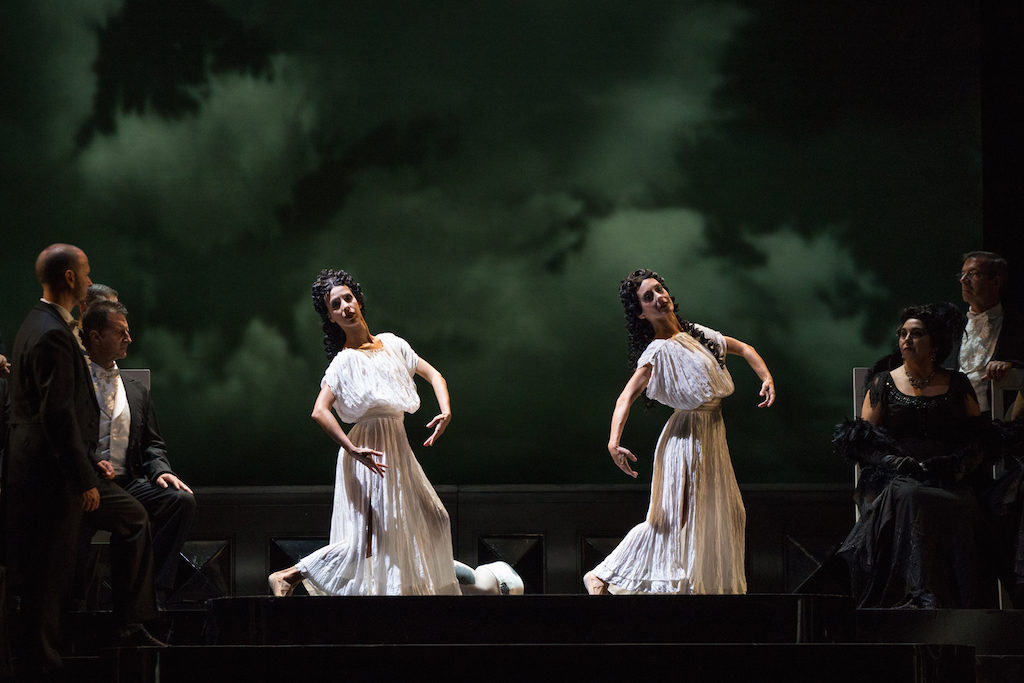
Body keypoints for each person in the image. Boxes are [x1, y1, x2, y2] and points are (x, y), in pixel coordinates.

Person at [268, 269, 462, 596]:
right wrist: (351, 448)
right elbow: (319, 410)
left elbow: (434, 375)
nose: (345, 306)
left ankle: (416, 598)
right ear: (330, 317)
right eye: (335, 305)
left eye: (347, 298)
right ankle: (288, 575)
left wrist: (446, 410)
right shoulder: (344, 362)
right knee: (368, 540)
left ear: (357, 300)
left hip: (397, 447)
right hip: (368, 450)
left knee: (435, 518)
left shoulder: (393, 344)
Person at [583, 268, 775, 595]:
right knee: (672, 520)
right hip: (686, 439)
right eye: (648, 297)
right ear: (640, 313)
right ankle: (602, 574)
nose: (659, 297)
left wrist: (766, 377)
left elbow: (744, 348)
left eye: (659, 289)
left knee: (725, 513)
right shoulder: (657, 352)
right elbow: (625, 398)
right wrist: (614, 442)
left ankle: (695, 588)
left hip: (711, 436)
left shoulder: (695, 333)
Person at [834, 303, 996, 608]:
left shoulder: (957, 383)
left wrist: (955, 466)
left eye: (917, 334)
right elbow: (863, 440)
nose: (907, 339)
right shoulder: (883, 382)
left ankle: (964, 606)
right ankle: (918, 597)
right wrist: (894, 462)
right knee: (911, 496)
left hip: (947, 475)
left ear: (934, 343)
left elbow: (979, 438)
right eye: (903, 334)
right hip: (898, 476)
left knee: (964, 504)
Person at [3, 244, 101, 674]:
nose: (90, 281)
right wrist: (84, 478)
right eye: (87, 273)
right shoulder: (53, 333)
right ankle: (44, 666)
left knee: (41, 576)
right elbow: (58, 415)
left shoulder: (34, 323)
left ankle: (39, 660)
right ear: (70, 278)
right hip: (49, 477)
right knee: (48, 577)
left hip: (32, 471)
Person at [80, 299, 195, 606]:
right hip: (85, 483)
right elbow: (65, 435)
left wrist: (161, 470)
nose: (129, 339)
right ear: (96, 337)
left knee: (180, 501)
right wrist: (90, 466)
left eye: (128, 332)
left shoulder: (136, 389)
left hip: (127, 483)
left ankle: (151, 593)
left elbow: (152, 443)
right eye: (121, 332)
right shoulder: (74, 382)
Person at [955, 251, 1024, 416]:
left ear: (996, 281)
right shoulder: (954, 325)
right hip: (956, 419)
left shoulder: (1016, 324)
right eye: (962, 274)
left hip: (998, 419)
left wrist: (1011, 365)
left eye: (973, 274)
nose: (963, 280)